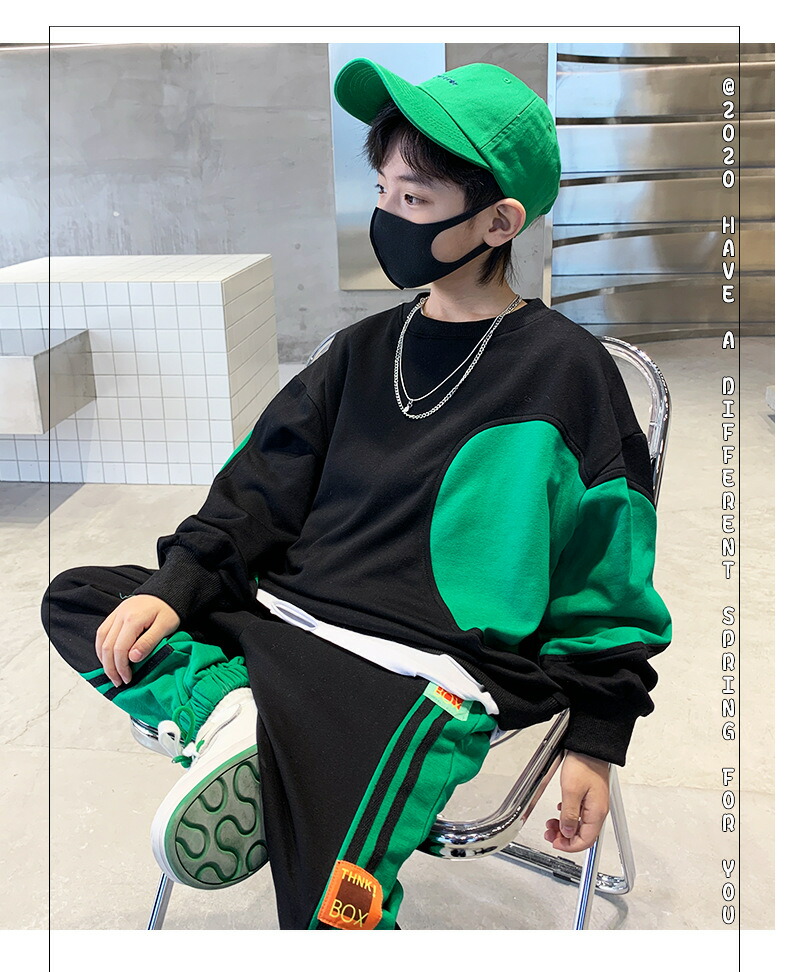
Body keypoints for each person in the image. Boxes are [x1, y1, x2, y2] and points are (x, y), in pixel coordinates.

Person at [41, 58, 672, 931]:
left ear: (498, 221)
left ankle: (254, 736)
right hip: (284, 624)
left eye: (414, 199)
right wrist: (176, 587)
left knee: (326, 912)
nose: (386, 216)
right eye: (381, 191)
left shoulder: (568, 372)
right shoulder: (358, 351)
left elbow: (610, 578)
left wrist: (596, 739)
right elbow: (255, 492)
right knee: (84, 598)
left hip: (425, 672)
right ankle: (241, 721)